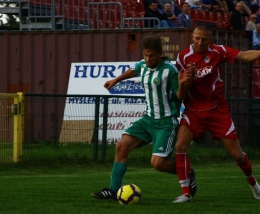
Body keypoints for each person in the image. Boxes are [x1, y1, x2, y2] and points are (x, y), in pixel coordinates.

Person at [91, 35, 197, 201]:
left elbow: (180, 96)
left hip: (165, 123)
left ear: (160, 53)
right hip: (147, 120)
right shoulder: (143, 65)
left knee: (158, 163)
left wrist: (183, 84)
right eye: (145, 55)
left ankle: (187, 172)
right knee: (121, 147)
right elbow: (134, 70)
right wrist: (115, 80)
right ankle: (113, 190)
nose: (147, 59)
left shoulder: (170, 70)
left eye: (151, 55)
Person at [173, 24, 260, 203]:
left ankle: (254, 185)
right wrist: (184, 83)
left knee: (237, 155)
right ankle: (185, 194)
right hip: (193, 110)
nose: (199, 42)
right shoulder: (183, 57)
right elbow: (180, 95)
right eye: (197, 38)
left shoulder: (217, 51)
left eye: (204, 39)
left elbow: (244, 56)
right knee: (180, 146)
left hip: (217, 110)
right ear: (193, 36)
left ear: (210, 40)